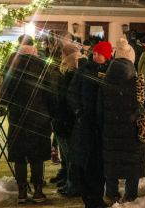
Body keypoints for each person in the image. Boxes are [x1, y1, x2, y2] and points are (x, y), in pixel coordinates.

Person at [0, 38, 57, 203]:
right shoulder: (42, 66)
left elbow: (5, 93)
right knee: (37, 156)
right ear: (33, 49)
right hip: (39, 117)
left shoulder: (12, 65)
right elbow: (50, 93)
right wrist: (51, 113)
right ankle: (38, 190)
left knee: (20, 155)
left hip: (17, 116)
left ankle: (22, 191)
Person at [100, 38, 145, 204]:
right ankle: (130, 194)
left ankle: (111, 194)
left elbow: (100, 107)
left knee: (112, 161)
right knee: (132, 161)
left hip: (111, 129)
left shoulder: (105, 79)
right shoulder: (137, 80)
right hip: (132, 128)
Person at [70, 41, 110, 208]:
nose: (96, 56)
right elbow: (72, 92)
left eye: (99, 53)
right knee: (86, 162)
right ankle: (89, 200)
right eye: (94, 53)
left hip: (101, 126)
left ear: (107, 56)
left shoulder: (110, 71)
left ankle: (97, 198)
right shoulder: (84, 69)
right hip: (86, 124)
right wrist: (79, 111)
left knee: (99, 165)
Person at [54, 42, 81, 198]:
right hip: (68, 121)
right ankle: (69, 183)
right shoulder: (73, 72)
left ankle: (73, 186)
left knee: (71, 157)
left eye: (62, 54)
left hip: (66, 121)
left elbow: (65, 100)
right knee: (68, 156)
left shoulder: (69, 74)